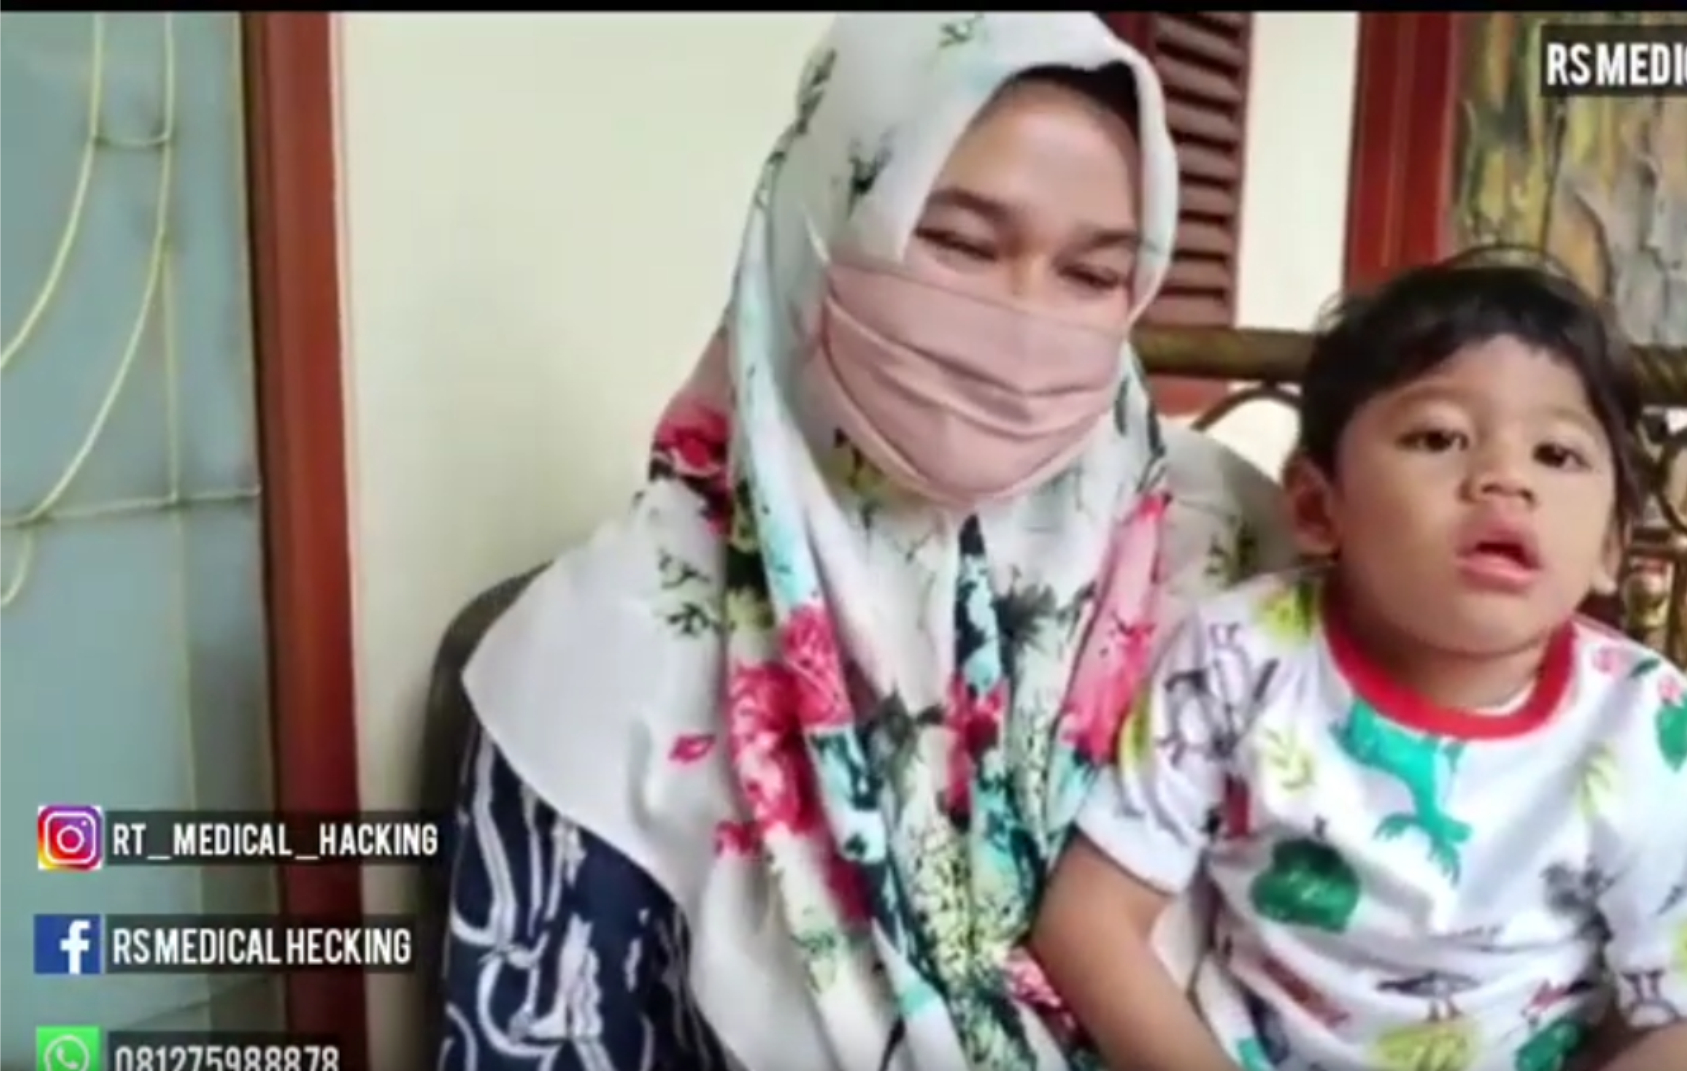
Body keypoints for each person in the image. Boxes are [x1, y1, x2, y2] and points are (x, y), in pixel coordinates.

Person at [437, 13, 1294, 1071]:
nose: (1023, 322)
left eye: (1090, 274)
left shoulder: (1234, 555)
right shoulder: (611, 648)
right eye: (960, 244)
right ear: (820, 219)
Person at [1031, 257, 1687, 1071]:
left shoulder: (1654, 728)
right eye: (1439, 437)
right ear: (1317, 505)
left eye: (1557, 453)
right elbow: (1089, 920)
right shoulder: (1242, 654)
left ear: (1610, 544)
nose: (1504, 479)